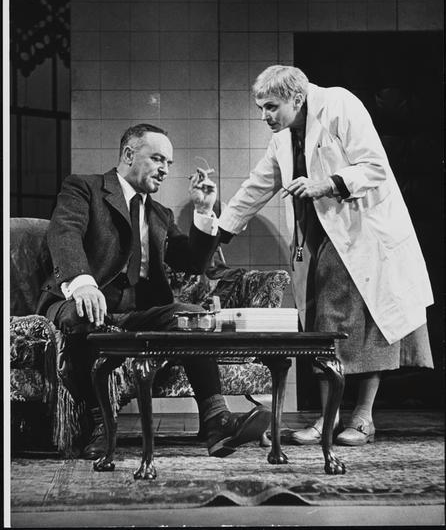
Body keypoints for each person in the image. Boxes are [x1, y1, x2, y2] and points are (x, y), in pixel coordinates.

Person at [218, 65, 434, 446]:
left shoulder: (339, 105)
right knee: (320, 326)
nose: (265, 116)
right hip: (317, 239)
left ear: (296, 98)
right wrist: (220, 233)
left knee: (365, 328)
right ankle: (328, 418)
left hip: (361, 234)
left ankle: (363, 417)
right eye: (261, 108)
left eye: (271, 107)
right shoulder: (282, 137)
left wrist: (327, 184)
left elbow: (375, 167)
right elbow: (257, 186)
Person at [37, 123, 270, 459]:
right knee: (83, 313)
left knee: (192, 317)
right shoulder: (84, 188)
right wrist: (82, 283)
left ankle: (217, 420)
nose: (165, 169)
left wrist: (204, 211)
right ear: (129, 154)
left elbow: (193, 263)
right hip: (79, 300)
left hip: (137, 312)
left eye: (169, 163)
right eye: (158, 159)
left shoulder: (160, 214)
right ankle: (101, 424)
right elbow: (65, 233)